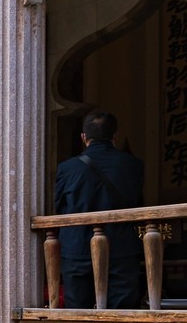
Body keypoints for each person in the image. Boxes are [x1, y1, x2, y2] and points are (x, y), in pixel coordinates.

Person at [54, 111, 145, 309]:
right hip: (121, 249)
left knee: (78, 313)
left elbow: (60, 207)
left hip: (77, 249)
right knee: (123, 314)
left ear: (83, 137)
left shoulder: (67, 168)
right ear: (115, 136)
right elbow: (137, 203)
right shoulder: (133, 165)